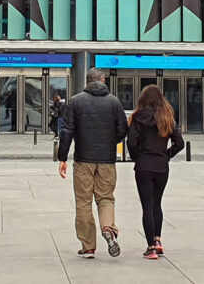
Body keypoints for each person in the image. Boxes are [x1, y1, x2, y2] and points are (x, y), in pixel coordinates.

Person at [57, 68, 129, 259]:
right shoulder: (114, 101)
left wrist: (62, 157)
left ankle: (88, 246)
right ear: (103, 80)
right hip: (107, 159)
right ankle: (108, 228)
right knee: (105, 197)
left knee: (83, 201)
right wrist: (110, 142)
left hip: (83, 159)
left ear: (87, 82)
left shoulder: (75, 101)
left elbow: (66, 131)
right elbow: (123, 129)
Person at [125, 84, 184, 261]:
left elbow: (131, 142)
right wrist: (166, 155)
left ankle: (150, 247)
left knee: (147, 206)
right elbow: (179, 143)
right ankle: (157, 241)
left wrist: (137, 158)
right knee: (157, 203)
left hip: (144, 165)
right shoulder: (167, 117)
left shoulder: (137, 117)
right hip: (161, 166)